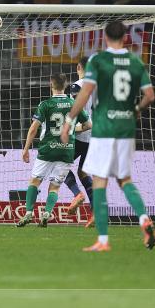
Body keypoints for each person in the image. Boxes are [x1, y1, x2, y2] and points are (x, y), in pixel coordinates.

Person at [62, 21, 155, 252]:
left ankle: (103, 240)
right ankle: (143, 217)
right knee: (125, 179)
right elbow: (150, 96)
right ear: (125, 37)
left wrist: (68, 121)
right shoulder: (135, 61)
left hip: (104, 129)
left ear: (105, 37)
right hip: (125, 128)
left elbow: (84, 94)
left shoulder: (98, 60)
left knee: (100, 182)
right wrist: (135, 111)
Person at [17, 74, 91, 228]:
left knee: (35, 182)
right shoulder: (74, 103)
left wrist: (25, 149)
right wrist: (72, 129)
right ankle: (46, 213)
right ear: (65, 86)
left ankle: (28, 213)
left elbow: (33, 129)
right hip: (66, 151)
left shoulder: (45, 104)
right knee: (55, 186)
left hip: (47, 150)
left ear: (51, 85)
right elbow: (88, 125)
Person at [66, 60, 97, 226]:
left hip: (79, 134)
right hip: (93, 137)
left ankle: (77, 194)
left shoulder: (76, 86)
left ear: (79, 67)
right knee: (83, 173)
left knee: (59, 166)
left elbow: (75, 110)